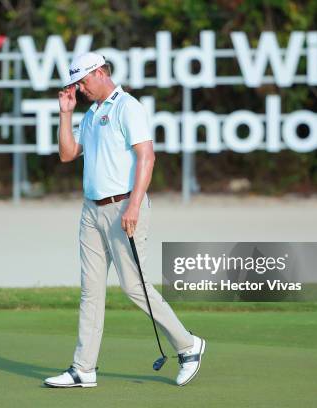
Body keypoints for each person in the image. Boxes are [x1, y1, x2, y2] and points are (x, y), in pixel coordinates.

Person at [44, 52, 205, 388]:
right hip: (91, 211)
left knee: (135, 288)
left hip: (124, 208)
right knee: (91, 291)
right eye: (76, 84)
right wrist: (65, 114)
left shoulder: (126, 106)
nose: (81, 88)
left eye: (83, 81)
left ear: (101, 72)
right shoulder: (91, 114)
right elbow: (67, 154)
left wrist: (133, 206)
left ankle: (189, 346)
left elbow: (147, 156)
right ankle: (83, 368)